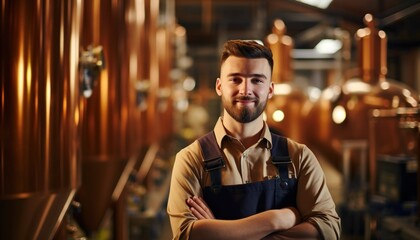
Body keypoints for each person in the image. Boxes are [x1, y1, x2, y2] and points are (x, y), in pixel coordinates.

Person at [167, 40, 341, 239]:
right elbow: (185, 234)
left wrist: (219, 231)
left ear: (270, 89)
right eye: (235, 79)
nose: (245, 90)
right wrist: (275, 220)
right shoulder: (191, 159)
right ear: (219, 86)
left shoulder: (299, 157)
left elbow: (328, 228)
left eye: (257, 80)